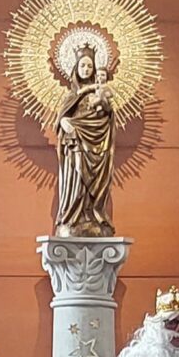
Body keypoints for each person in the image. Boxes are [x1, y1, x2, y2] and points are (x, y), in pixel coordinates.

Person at [55, 44, 116, 237]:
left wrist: (104, 107)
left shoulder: (99, 91)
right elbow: (61, 119)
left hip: (97, 146)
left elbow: (108, 117)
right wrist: (64, 121)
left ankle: (93, 217)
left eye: (90, 67)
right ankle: (73, 218)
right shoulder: (72, 96)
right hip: (76, 145)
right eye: (82, 66)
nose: (86, 70)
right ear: (75, 68)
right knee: (77, 178)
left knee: (96, 184)